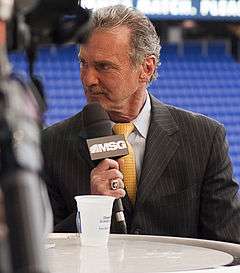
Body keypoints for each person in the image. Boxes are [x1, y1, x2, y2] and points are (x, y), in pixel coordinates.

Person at [42, 4, 240, 243]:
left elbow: (227, 245)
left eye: (104, 66)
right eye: (84, 63)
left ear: (146, 68)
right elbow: (43, 246)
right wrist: (91, 211)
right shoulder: (51, 144)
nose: (88, 79)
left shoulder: (205, 138)